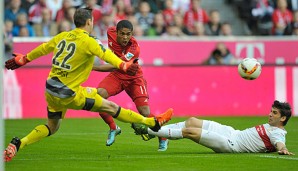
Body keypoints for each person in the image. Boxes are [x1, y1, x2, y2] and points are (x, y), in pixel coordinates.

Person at [3, 8, 173, 162]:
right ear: (89, 22)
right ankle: (152, 123)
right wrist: (123, 65)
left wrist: (24, 59)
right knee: (112, 108)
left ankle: (19, 143)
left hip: (51, 89)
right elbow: (106, 54)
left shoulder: (62, 36)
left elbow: (44, 48)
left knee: (52, 127)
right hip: (70, 94)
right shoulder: (90, 41)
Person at [92, 20, 169, 151]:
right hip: (117, 76)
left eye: (128, 34)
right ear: (116, 32)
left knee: (145, 112)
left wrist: (93, 68)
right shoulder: (110, 32)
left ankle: (162, 136)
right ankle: (113, 128)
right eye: (122, 34)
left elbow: (116, 65)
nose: (125, 37)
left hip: (134, 78)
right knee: (98, 97)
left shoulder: (134, 49)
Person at [133, 100, 294, 155]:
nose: (270, 114)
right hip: (232, 132)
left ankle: (149, 130)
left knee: (190, 132)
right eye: (271, 111)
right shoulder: (272, 126)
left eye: (274, 113)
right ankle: (158, 130)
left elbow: (279, 143)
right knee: (192, 121)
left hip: (232, 145)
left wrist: (283, 149)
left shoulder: (278, 133)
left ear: (283, 118)